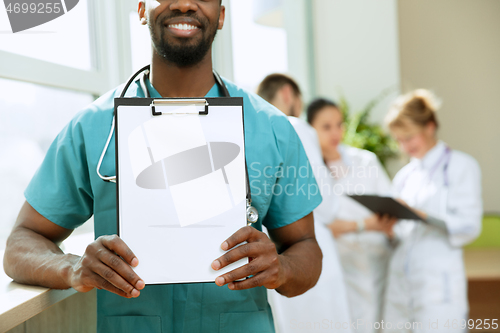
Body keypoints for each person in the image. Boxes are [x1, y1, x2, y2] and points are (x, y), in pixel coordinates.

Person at [2, 2, 324, 332]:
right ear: (141, 9)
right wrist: (72, 268)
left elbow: (308, 251)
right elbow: (19, 245)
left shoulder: (271, 128)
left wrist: (282, 268)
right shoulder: (93, 128)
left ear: (222, 15)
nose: (184, 3)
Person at [382, 89, 482, 332]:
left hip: (438, 284)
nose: (405, 146)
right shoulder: (405, 176)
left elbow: (469, 226)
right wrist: (389, 230)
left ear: (430, 126)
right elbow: (403, 235)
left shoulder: (460, 166)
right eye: (399, 139)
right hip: (401, 281)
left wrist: (420, 214)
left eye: (409, 137)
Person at [258, 74, 352, 332]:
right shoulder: (295, 127)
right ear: (288, 94)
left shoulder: (256, 128)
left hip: (273, 251)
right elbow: (327, 206)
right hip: (307, 250)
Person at [307, 98, 395, 333]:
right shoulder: (306, 171)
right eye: (326, 127)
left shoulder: (365, 160)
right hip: (337, 264)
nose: (336, 132)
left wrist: (379, 223)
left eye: (339, 124)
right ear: (310, 130)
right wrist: (365, 224)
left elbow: (390, 208)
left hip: (376, 260)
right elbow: (319, 226)